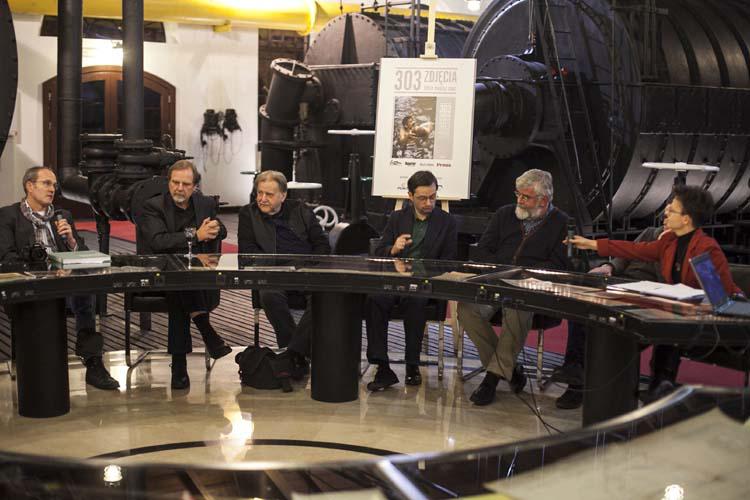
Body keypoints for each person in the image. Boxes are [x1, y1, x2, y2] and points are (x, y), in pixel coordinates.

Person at [567, 184, 744, 401]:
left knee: (667, 329)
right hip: (686, 315)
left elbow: (719, 298)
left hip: (726, 316)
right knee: (630, 331)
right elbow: (636, 249)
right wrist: (592, 244)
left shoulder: (705, 249)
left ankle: (659, 388)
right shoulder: (669, 241)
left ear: (686, 219)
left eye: (672, 210)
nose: (665, 213)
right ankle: (645, 389)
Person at [458, 169, 571, 406]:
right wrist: (501, 270)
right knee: (466, 310)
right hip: (496, 283)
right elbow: (483, 250)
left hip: (530, 290)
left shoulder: (561, 222)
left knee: (517, 309)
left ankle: (491, 379)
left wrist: (524, 273)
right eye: (517, 194)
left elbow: (559, 265)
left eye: (525, 197)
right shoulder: (504, 214)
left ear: (543, 201)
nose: (519, 200)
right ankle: (510, 370)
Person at [0, 166, 119, 390]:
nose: (52, 189)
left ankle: (93, 362)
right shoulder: (9, 216)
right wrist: (44, 264)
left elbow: (83, 255)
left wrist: (72, 241)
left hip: (64, 286)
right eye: (46, 183)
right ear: (29, 186)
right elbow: (6, 258)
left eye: (54, 185)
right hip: (30, 285)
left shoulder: (62, 216)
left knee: (84, 291)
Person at [139, 160, 232, 390]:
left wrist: (216, 229)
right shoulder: (153, 206)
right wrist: (196, 236)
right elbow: (158, 242)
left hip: (196, 274)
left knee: (181, 286)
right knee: (178, 279)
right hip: (160, 274)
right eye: (175, 182)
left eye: (185, 184)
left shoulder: (205, 203)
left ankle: (180, 365)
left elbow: (222, 230)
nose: (179, 188)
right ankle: (205, 332)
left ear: (195, 186)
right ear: (168, 182)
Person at [552, 226, 664, 410]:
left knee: (611, 327)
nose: (666, 218)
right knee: (582, 306)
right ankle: (574, 371)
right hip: (623, 282)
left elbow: (667, 275)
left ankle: (581, 383)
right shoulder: (651, 232)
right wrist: (608, 266)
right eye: (666, 214)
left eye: (671, 213)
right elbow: (625, 255)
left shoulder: (676, 243)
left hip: (652, 294)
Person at [365, 170, 457, 391]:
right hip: (396, 279)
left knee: (415, 301)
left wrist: (423, 271)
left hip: (425, 281)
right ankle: (382, 367)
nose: (428, 203)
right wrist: (393, 249)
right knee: (375, 299)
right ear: (410, 196)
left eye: (433, 197)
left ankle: (412, 364)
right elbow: (379, 252)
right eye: (422, 198)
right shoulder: (398, 218)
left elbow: (449, 262)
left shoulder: (447, 222)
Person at [237, 170, 331, 377]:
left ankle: (293, 354)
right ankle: (294, 353)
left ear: (283, 195)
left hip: (305, 272)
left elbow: (322, 244)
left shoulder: (300, 210)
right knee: (269, 295)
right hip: (273, 274)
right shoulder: (248, 214)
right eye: (259, 193)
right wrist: (277, 265)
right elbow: (247, 253)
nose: (262, 199)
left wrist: (310, 266)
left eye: (269, 194)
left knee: (323, 296)